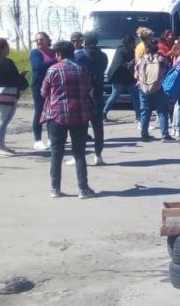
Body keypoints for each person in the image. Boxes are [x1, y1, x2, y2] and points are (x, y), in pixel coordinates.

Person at [40, 40, 95, 199]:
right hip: (80, 114)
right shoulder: (83, 69)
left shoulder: (53, 70)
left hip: (57, 115)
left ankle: (55, 188)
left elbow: (44, 92)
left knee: (56, 152)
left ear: (58, 54)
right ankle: (83, 189)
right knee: (79, 152)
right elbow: (88, 88)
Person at [0, 38, 28, 156]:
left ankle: (1, 145)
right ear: (3, 48)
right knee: (1, 121)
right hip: (4, 95)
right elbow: (14, 78)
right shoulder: (7, 62)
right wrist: (21, 77)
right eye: (7, 46)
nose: (9, 49)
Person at [73, 32, 108, 165]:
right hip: (98, 92)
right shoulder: (103, 56)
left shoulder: (79, 55)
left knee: (80, 126)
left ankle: (79, 155)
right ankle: (98, 155)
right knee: (98, 126)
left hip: (82, 93)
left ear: (84, 42)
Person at [135, 40, 172, 141]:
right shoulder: (162, 59)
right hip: (158, 87)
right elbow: (167, 71)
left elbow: (136, 74)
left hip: (143, 88)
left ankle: (144, 134)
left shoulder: (141, 60)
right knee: (162, 111)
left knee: (145, 111)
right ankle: (165, 135)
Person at [29, 32, 56, 149]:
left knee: (52, 113)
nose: (39, 42)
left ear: (48, 40)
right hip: (38, 87)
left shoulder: (54, 52)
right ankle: (38, 140)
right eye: (37, 40)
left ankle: (51, 138)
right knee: (39, 112)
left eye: (41, 39)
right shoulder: (35, 53)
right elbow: (37, 66)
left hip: (54, 86)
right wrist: (55, 61)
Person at [102, 35, 138, 122]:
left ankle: (139, 116)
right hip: (119, 79)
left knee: (136, 98)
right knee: (113, 97)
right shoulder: (121, 50)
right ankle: (103, 113)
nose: (134, 44)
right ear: (129, 43)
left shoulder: (132, 51)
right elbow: (120, 63)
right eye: (133, 43)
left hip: (130, 78)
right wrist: (130, 63)